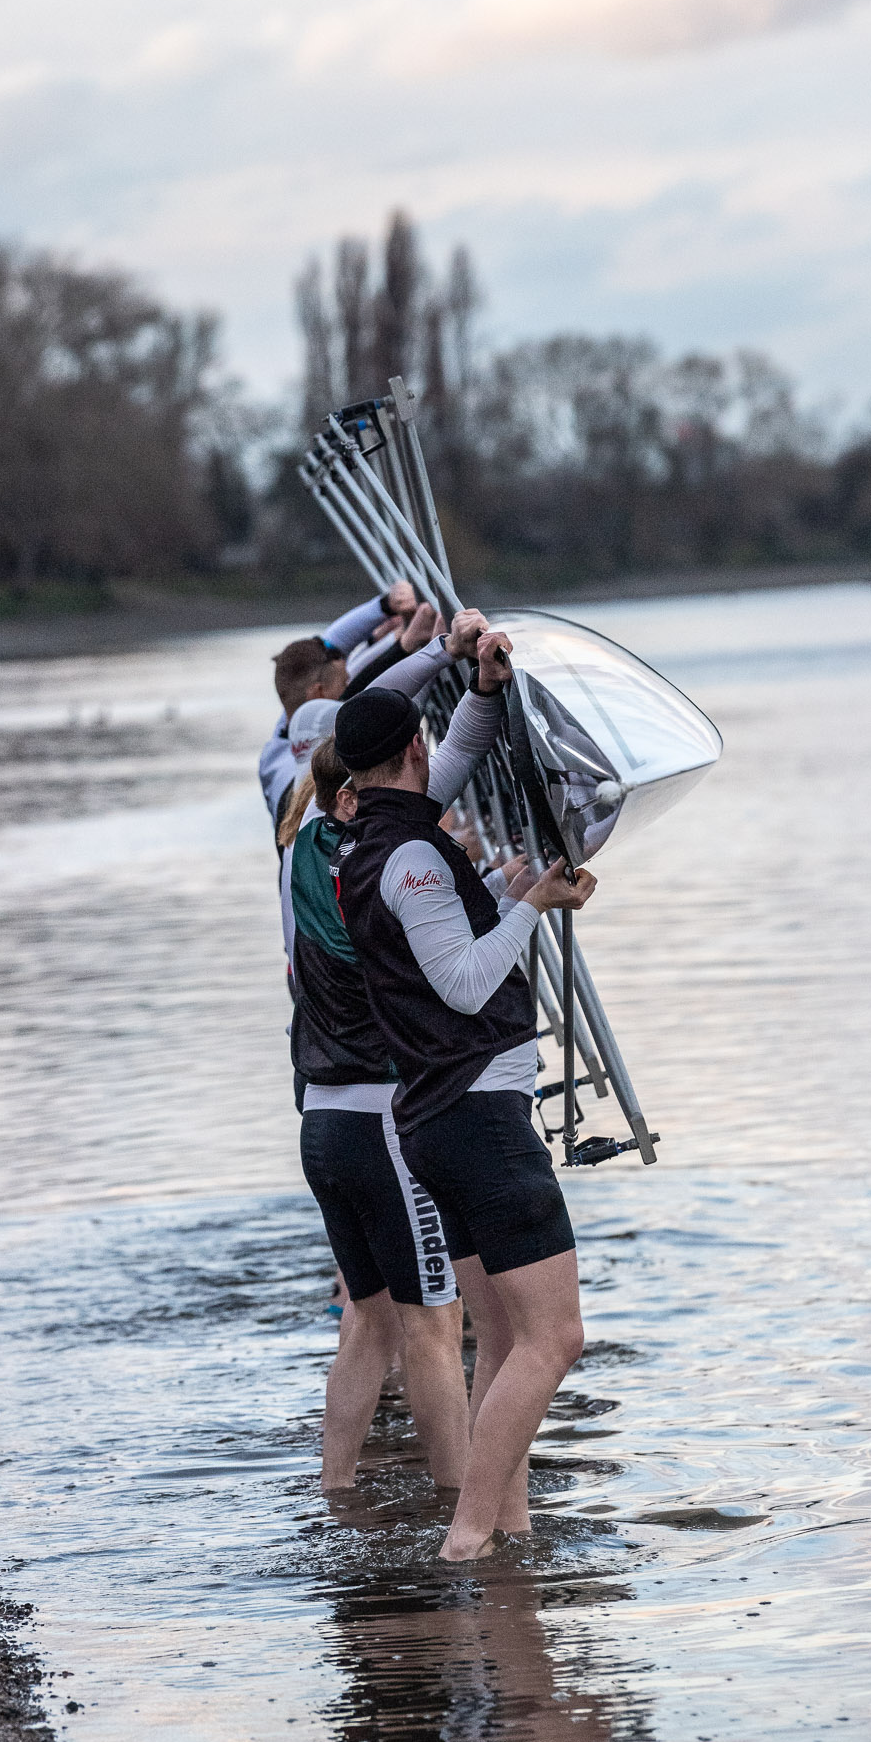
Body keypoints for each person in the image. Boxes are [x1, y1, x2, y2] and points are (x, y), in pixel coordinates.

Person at [331, 636, 597, 1560]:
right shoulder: (407, 858)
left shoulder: (377, 831)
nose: (437, 753)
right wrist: (534, 904)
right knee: (555, 1338)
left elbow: (460, 752)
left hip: (442, 1117)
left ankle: (508, 1536)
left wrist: (480, 689)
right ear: (411, 747)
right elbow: (463, 983)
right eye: (429, 741)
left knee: (499, 1332)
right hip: (476, 1115)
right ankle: (470, 1537)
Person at [285, 611, 523, 1494]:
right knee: (434, 1326)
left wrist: (463, 680)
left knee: (367, 1324)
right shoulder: (388, 861)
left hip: (319, 1122)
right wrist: (503, 892)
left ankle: (334, 1497)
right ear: (362, 790)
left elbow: (426, 762)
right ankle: (469, 1514)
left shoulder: (300, 848)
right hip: (385, 1122)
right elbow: (429, 776)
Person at [258, 581, 426, 832]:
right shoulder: (320, 764)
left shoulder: (279, 737)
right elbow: (360, 700)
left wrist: (386, 607)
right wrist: (411, 647)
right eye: (344, 682)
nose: (349, 682)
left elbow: (330, 649)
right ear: (317, 694)